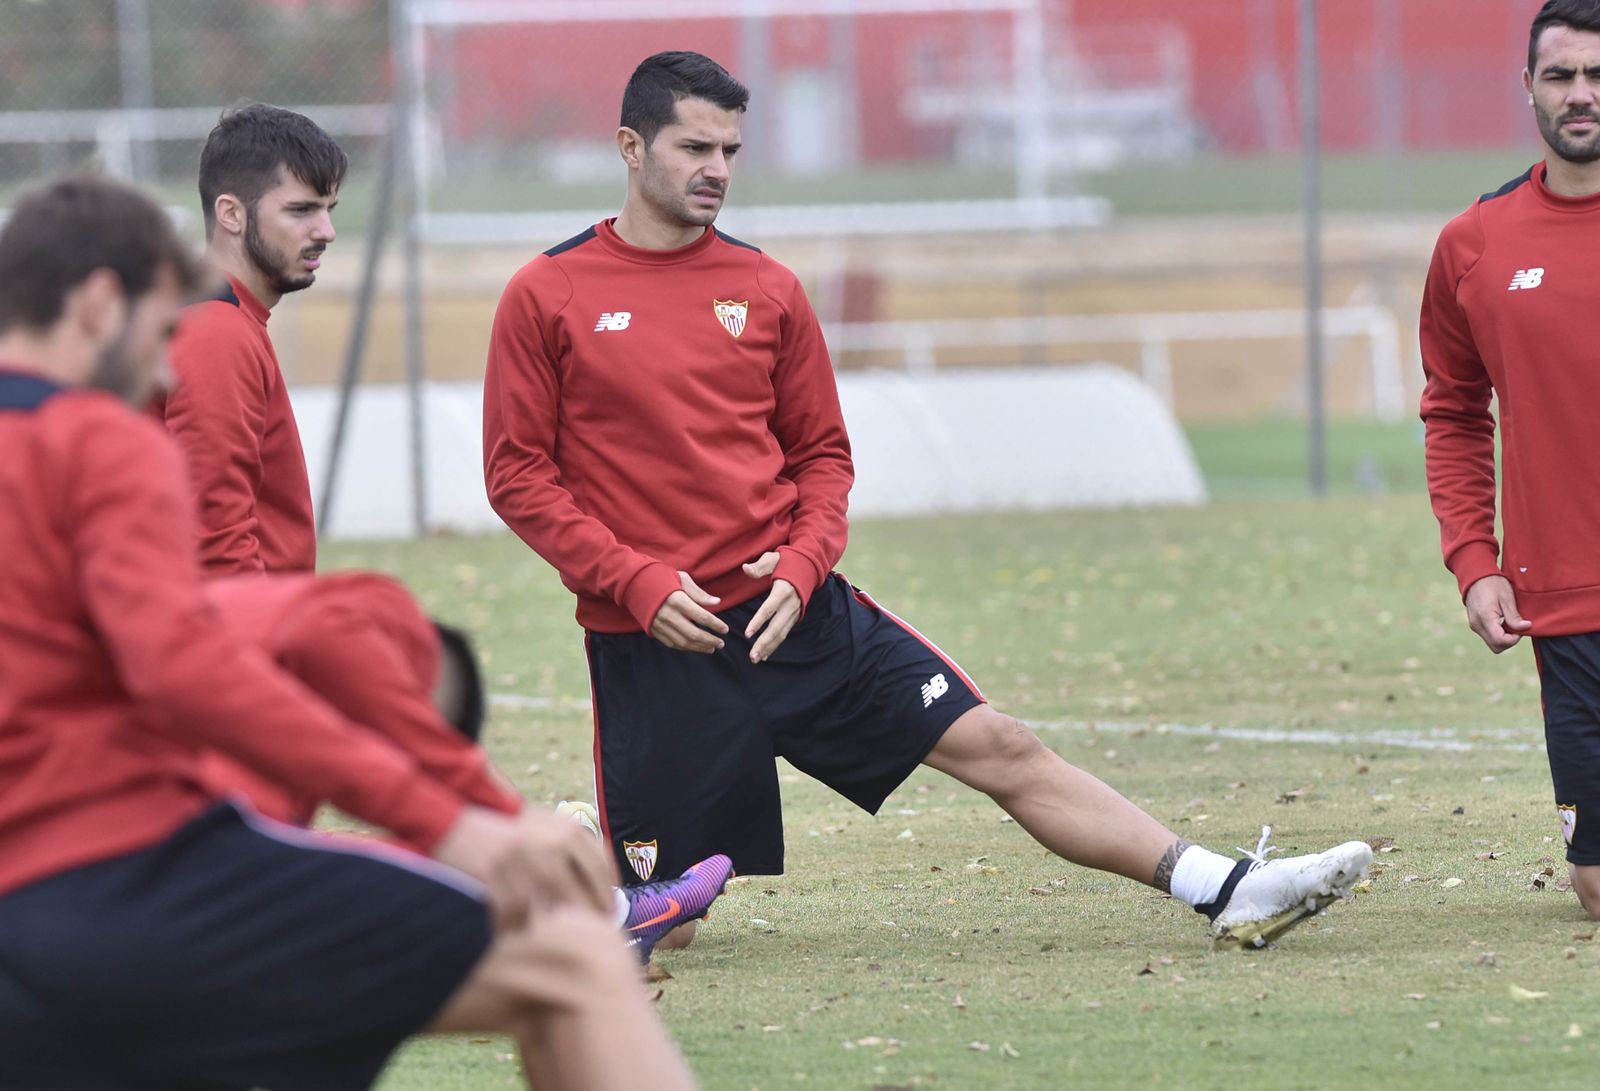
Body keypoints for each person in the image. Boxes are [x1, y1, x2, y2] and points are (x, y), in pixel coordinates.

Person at [482, 50, 1372, 951]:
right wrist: (633, 580)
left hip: (799, 621)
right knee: (666, 931)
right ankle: (571, 849)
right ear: (630, 148)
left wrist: (803, 561)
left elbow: (824, 458)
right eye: (694, 147)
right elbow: (517, 475)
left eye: (732, 150)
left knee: (1003, 744)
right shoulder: (547, 294)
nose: (716, 169)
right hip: (659, 645)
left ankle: (1226, 888)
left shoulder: (768, 289)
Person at [0, 173, 697, 1090]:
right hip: (126, 885)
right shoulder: (99, 440)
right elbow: (191, 664)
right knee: (572, 959)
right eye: (161, 331)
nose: (169, 367)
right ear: (97, 304)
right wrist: (458, 821)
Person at [198, 569, 734, 959]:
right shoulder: (345, 616)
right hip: (164, 905)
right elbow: (416, 759)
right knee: (569, 988)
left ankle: (604, 908)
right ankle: (608, 912)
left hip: (181, 889)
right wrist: (508, 823)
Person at [1422, 0, 1600, 919]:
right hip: (1568, 603)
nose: (1582, 94)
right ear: (1528, 86)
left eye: (1597, 75)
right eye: (1562, 74)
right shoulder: (1475, 244)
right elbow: (1453, 412)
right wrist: (1474, 561)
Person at [152, 103, 341, 575]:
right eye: (302, 210)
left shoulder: (213, 314)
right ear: (231, 214)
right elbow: (214, 541)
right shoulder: (216, 331)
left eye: (328, 210)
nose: (327, 231)